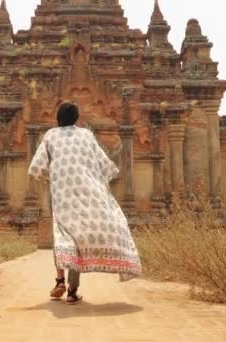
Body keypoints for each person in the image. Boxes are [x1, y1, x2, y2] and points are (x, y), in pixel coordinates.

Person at [27, 102, 142, 305]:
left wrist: (52, 177)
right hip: (87, 192)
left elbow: (36, 168)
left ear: (58, 118)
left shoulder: (51, 135)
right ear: (77, 118)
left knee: (62, 234)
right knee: (78, 237)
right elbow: (104, 164)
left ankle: (59, 280)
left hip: (61, 192)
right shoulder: (86, 135)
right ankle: (72, 291)